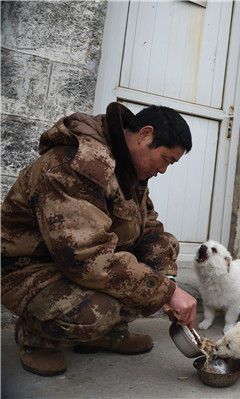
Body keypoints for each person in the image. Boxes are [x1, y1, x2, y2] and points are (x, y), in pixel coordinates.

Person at [1, 102, 199, 377]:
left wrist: (168, 280)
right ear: (144, 135)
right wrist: (166, 292)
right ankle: (35, 338)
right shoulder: (77, 164)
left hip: (74, 265)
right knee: (96, 311)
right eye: (166, 159)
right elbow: (85, 256)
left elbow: (149, 227)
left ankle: (106, 335)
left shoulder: (128, 168)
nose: (164, 170)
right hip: (29, 269)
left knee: (166, 247)